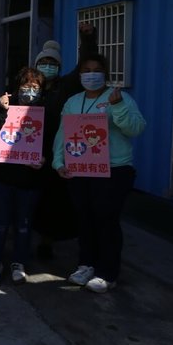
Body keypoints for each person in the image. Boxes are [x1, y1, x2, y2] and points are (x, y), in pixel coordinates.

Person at [53, 54, 145, 293]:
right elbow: (63, 133)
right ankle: (86, 265)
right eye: (86, 70)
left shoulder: (119, 98)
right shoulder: (73, 101)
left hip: (114, 170)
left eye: (96, 70)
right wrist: (58, 161)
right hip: (80, 169)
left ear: (105, 74)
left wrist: (118, 108)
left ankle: (108, 272)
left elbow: (136, 128)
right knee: (84, 219)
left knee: (106, 220)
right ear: (80, 74)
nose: (91, 74)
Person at [33, 24, 98, 258]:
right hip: (35, 150)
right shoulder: (31, 86)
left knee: (58, 198)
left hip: (62, 149)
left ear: (59, 67)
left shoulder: (67, 85)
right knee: (36, 198)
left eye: (52, 64)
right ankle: (35, 235)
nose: (47, 67)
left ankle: (51, 239)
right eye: (43, 63)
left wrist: (87, 39)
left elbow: (85, 64)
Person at [0, 67, 48, 286]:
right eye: (25, 86)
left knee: (24, 225)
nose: (30, 91)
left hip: (30, 181)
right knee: (0, 224)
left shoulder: (44, 113)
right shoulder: (5, 110)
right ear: (16, 88)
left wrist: (44, 160)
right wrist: (2, 111)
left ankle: (18, 262)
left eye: (35, 87)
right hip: (2, 178)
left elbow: (50, 144)